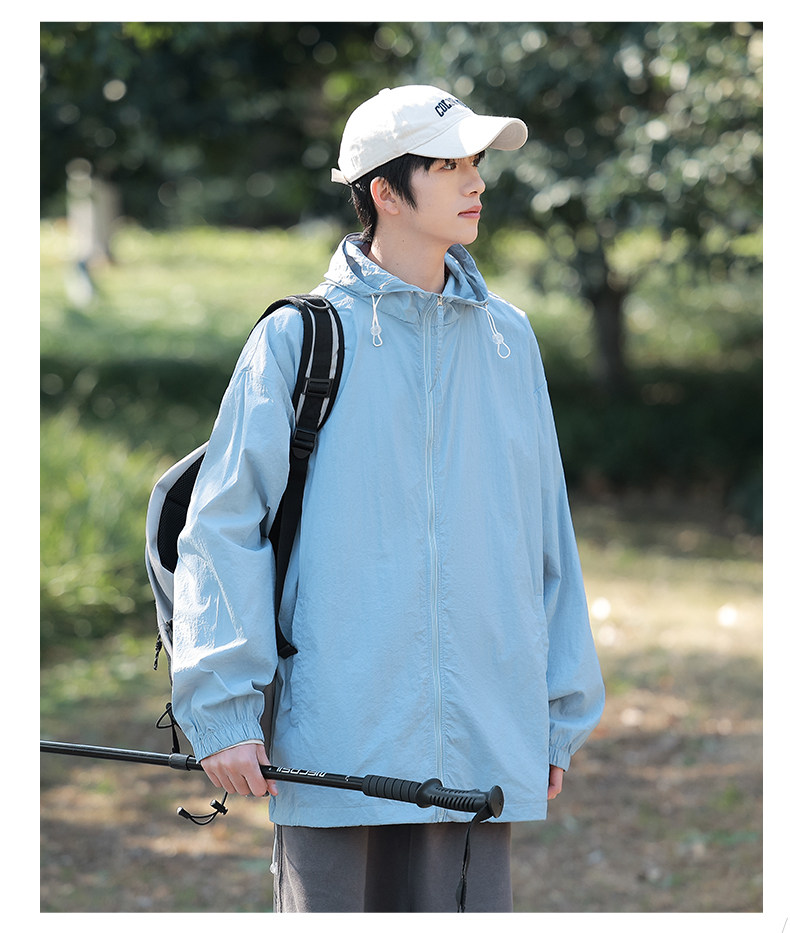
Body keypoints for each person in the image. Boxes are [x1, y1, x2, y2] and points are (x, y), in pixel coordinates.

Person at [172, 84, 605, 913]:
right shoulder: (298, 338)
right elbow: (224, 528)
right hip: (335, 741)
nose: (476, 181)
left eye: (475, 161)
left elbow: (546, 533)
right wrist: (224, 712)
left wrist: (557, 713)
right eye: (448, 165)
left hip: (482, 741)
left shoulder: (509, 339)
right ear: (384, 191)